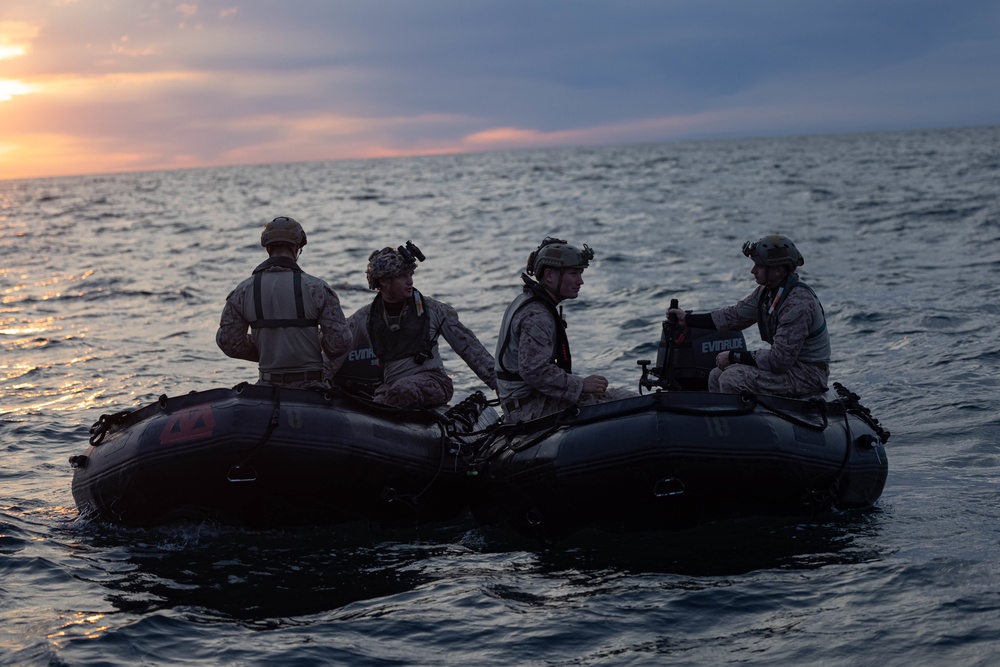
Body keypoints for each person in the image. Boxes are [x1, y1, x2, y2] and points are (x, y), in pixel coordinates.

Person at [667, 234, 830, 398]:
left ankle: (745, 420)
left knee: (732, 379)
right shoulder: (767, 292)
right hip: (789, 368)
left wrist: (734, 356)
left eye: (759, 266)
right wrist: (687, 320)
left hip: (807, 375)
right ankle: (723, 421)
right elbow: (734, 316)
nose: (753, 271)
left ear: (778, 270)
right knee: (716, 375)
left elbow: (779, 360)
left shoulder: (798, 304)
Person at [495, 237, 635, 423]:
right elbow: (534, 371)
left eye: (580, 273)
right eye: (573, 273)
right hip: (531, 410)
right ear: (550, 275)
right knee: (629, 403)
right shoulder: (537, 315)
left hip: (525, 403)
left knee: (623, 399)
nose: (580, 281)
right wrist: (581, 384)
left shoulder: (526, 301)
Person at [344, 242, 497, 409]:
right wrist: (318, 381)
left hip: (435, 382)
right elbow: (336, 347)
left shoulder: (434, 310)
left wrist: (503, 387)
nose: (410, 281)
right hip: (393, 387)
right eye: (402, 276)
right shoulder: (366, 318)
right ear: (384, 281)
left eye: (411, 274)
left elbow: (470, 349)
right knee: (379, 402)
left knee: (401, 391)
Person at [217, 216, 351, 389]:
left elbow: (228, 343)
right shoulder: (317, 289)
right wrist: (315, 341)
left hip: (267, 388)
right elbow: (339, 344)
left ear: (268, 248)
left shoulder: (242, 292)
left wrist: (265, 348)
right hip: (312, 390)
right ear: (297, 247)